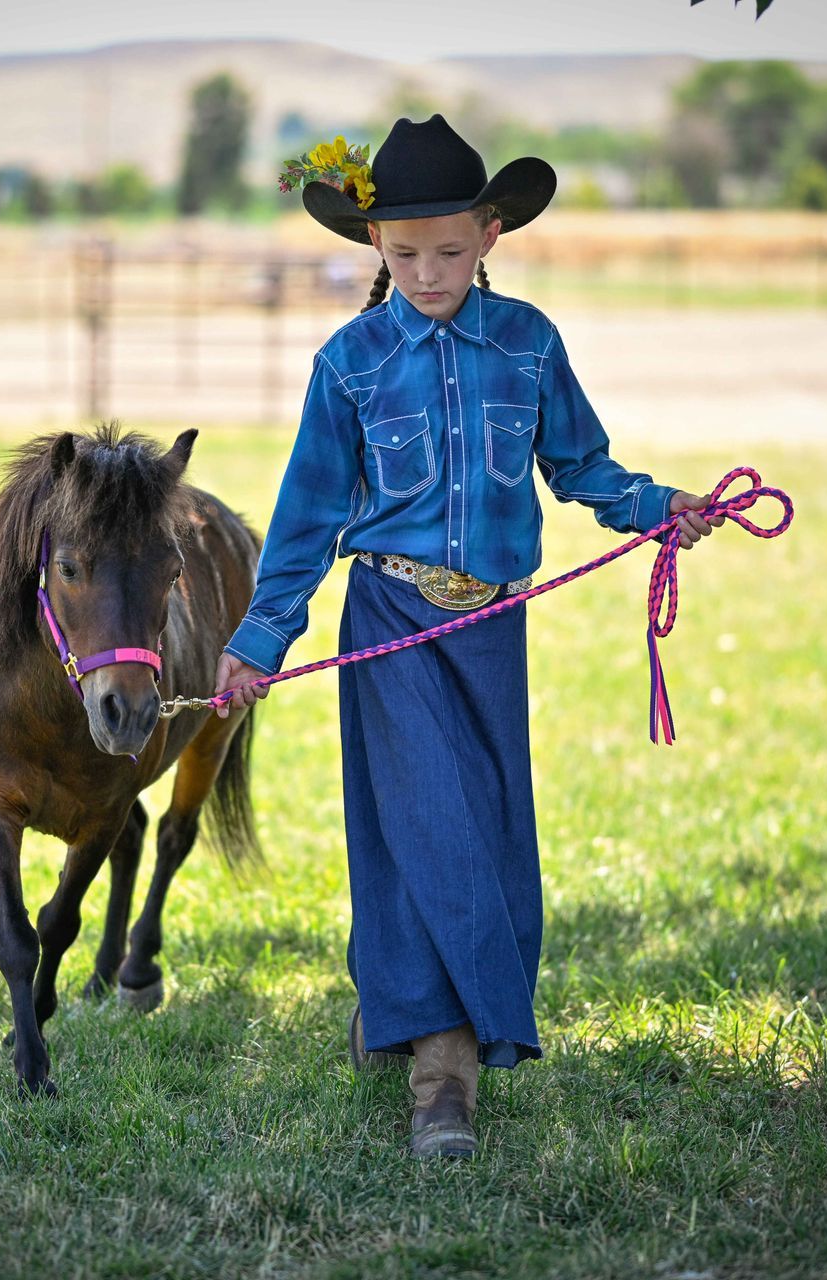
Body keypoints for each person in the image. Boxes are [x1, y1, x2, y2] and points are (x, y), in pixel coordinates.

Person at [211, 115, 723, 1159]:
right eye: (404, 255)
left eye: (449, 249)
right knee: (429, 823)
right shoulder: (348, 362)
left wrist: (662, 505)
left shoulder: (529, 343)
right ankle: (442, 1076)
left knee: (480, 833)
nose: (428, 272)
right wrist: (260, 638)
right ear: (375, 248)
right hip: (391, 618)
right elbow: (308, 517)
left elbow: (582, 467)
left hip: (493, 624)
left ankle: (397, 1007)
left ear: (492, 231)